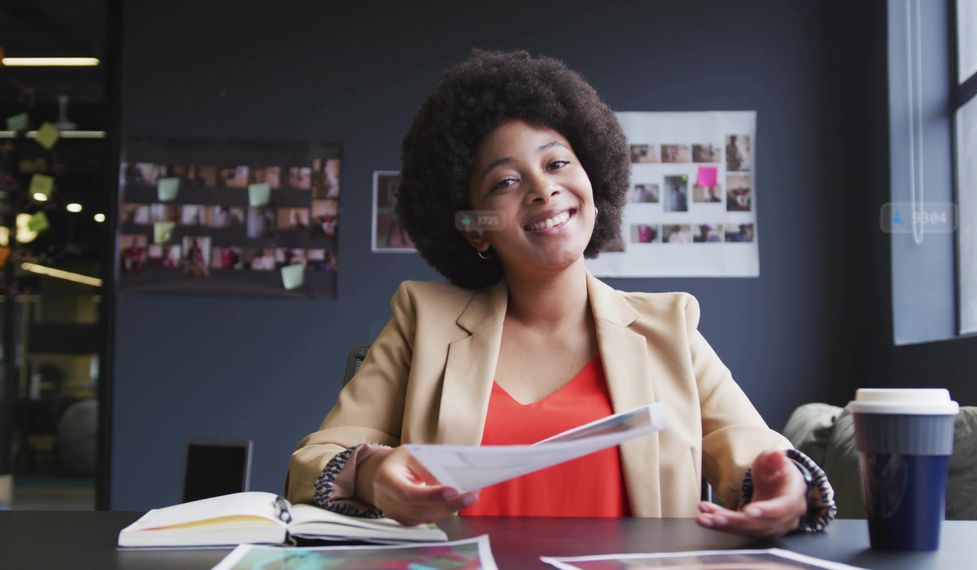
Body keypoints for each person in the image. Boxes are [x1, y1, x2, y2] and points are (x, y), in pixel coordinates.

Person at [287, 50, 834, 537]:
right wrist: (375, 473)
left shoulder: (669, 326)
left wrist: (782, 483)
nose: (542, 188)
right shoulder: (421, 321)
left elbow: (752, 446)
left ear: (592, 179)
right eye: (505, 181)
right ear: (474, 226)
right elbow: (313, 461)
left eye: (556, 163)